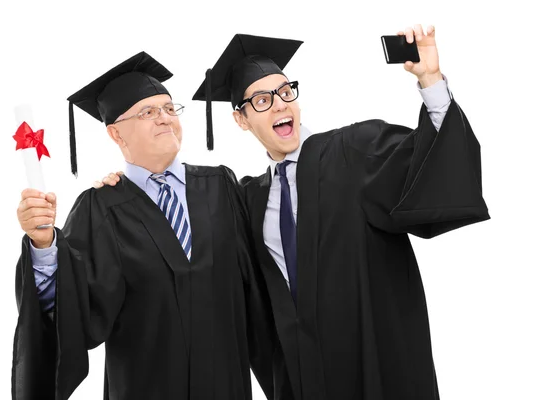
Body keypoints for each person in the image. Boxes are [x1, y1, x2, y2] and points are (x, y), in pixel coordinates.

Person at [190, 26, 490, 400]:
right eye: (262, 100)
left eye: (285, 92)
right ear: (241, 119)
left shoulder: (351, 152)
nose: (281, 104)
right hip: (303, 378)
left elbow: (425, 164)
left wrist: (430, 81)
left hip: (375, 365)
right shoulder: (249, 198)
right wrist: (124, 186)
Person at [13, 51, 278, 400]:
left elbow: (270, 260)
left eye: (170, 109)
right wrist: (44, 244)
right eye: (148, 112)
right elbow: (68, 309)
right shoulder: (101, 207)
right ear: (115, 134)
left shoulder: (222, 187)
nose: (165, 118)